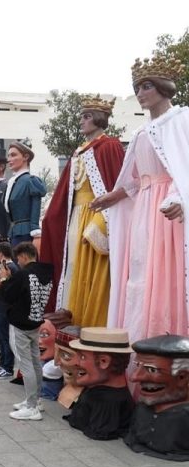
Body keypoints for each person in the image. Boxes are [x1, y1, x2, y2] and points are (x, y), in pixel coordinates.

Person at [91, 55, 189, 340]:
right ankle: (139, 339)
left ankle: (169, 339)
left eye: (146, 86)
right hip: (143, 210)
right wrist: (114, 195)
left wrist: (179, 198)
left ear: (163, 87)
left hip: (168, 208)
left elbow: (184, 167)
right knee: (140, 274)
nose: (140, 93)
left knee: (166, 274)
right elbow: (135, 179)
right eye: (137, 88)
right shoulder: (140, 133)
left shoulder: (182, 120)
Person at [39, 94, 125, 324]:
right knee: (74, 268)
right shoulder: (79, 152)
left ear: (99, 118)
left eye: (87, 116)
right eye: (81, 116)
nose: (82, 121)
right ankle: (73, 318)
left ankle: (94, 321)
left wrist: (101, 221)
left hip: (96, 216)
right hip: (75, 217)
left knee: (95, 269)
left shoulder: (110, 146)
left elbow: (117, 187)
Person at [0, 242, 53, 420]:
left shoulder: (24, 274)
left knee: (26, 365)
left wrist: (4, 279)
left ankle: (32, 407)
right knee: (35, 362)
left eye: (18, 258)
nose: (18, 262)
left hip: (21, 323)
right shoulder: (47, 272)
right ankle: (36, 400)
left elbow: (9, 296)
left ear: (24, 256)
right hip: (35, 321)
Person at [124, 334, 189, 461]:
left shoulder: (184, 416)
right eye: (137, 366)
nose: (134, 377)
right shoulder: (142, 408)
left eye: (151, 370)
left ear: (182, 377)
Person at [66, 328, 135, 439]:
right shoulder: (96, 389)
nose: (75, 362)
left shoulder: (109, 402)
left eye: (82, 357)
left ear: (104, 361)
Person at [3, 139, 46, 246]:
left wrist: (35, 232)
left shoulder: (30, 180)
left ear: (25, 157)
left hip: (26, 234)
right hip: (14, 233)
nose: (9, 159)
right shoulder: (12, 182)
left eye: (13, 155)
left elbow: (35, 208)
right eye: (9, 156)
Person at [0, 243, 18, 380]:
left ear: (0, 253)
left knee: (5, 338)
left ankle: (7, 367)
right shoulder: (3, 266)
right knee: (0, 337)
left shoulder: (9, 267)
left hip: (3, 308)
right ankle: (3, 363)